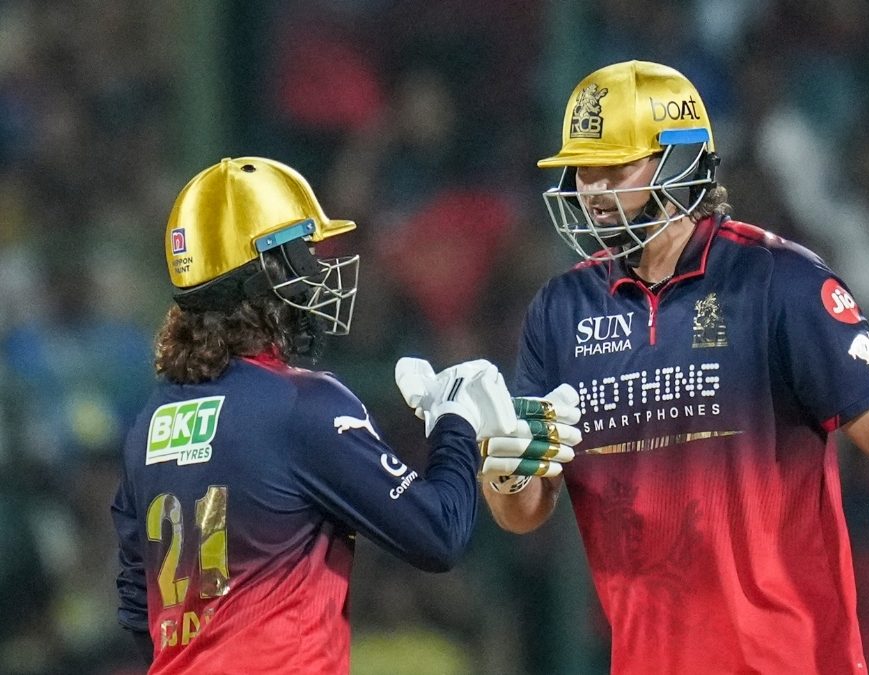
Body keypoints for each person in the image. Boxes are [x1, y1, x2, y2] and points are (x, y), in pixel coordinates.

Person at [482, 61, 869, 674]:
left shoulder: (779, 281)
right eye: (582, 169)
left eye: (614, 169)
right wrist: (506, 472)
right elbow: (526, 513)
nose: (591, 191)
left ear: (677, 163)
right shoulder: (560, 310)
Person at [110, 157, 575, 674]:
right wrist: (455, 422)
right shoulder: (302, 404)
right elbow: (439, 535)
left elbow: (136, 604)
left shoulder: (148, 423)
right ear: (268, 270)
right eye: (303, 251)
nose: (316, 270)